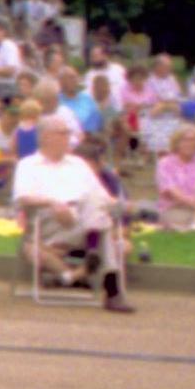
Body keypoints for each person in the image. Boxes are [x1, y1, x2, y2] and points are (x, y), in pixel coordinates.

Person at [14, 111, 134, 313]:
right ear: (45, 136)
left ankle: (96, 256)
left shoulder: (78, 164)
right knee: (99, 221)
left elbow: (102, 197)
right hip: (47, 222)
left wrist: (121, 204)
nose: (68, 138)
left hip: (83, 220)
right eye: (63, 133)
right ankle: (110, 287)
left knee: (95, 203)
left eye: (68, 133)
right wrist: (52, 203)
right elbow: (23, 198)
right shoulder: (28, 165)